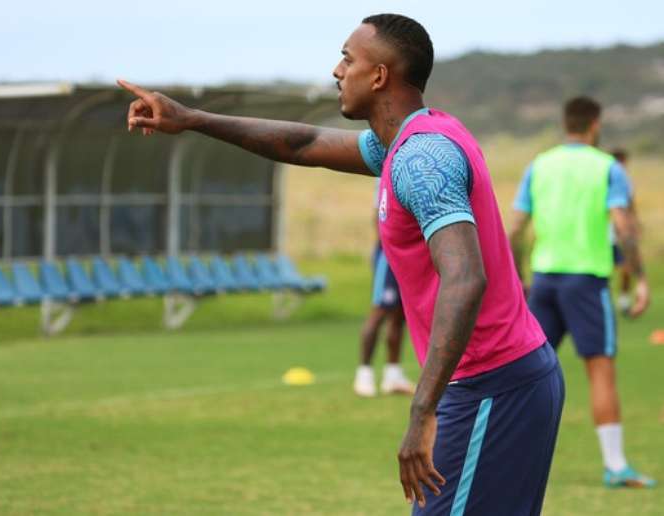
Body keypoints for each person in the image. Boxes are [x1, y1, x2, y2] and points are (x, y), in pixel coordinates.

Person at [118, 13, 564, 514]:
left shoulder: (424, 159)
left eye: (348, 59)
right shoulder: (407, 141)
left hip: (489, 387)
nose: (336, 70)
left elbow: (465, 278)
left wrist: (422, 410)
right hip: (507, 380)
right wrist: (193, 119)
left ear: (378, 77)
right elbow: (304, 144)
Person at [509, 96, 654, 488]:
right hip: (587, 283)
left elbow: (516, 228)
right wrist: (640, 280)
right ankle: (615, 465)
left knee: (526, 374)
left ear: (565, 122)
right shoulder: (606, 166)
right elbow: (623, 227)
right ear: (595, 124)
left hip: (543, 281)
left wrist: (517, 277)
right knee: (601, 370)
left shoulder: (539, 165)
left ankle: (509, 459)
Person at [355, 178, 416, 397]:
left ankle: (393, 375)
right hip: (388, 255)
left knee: (401, 315)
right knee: (380, 310)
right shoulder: (386, 175)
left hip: (408, 256)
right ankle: (364, 374)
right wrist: (391, 248)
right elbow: (378, 217)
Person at [609, 148, 635, 315]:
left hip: (618, 235)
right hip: (607, 235)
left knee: (626, 268)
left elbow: (630, 206)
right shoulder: (606, 178)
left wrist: (634, 224)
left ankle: (624, 300)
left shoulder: (626, 182)